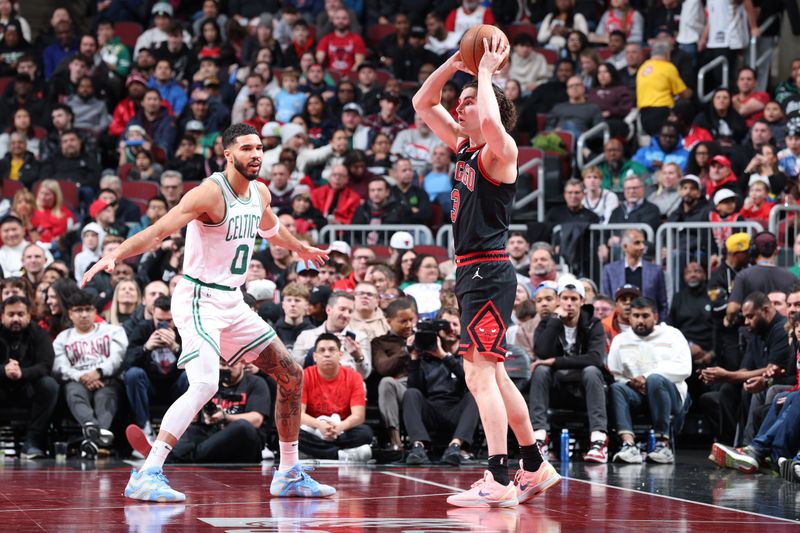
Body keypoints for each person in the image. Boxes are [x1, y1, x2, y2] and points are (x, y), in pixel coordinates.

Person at [81, 123, 334, 501]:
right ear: (228, 154)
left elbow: (272, 230)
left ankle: (289, 473)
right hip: (198, 297)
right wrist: (115, 254)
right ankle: (147, 473)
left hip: (233, 300)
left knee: (291, 374)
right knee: (204, 384)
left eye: (260, 147)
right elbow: (158, 231)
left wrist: (301, 249)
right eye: (247, 148)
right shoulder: (209, 193)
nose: (256, 154)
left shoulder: (260, 193)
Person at [413, 37, 559, 507]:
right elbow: (422, 101)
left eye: (469, 101)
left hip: (488, 271)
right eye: (460, 101)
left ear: (491, 104)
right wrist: (456, 63)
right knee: (494, 377)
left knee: (479, 376)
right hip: (473, 273)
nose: (460, 105)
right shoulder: (463, 149)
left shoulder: (502, 151)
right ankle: (534, 467)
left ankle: (498, 478)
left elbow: (493, 121)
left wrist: (487, 76)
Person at [530, 279, 609, 462]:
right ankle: (540, 437)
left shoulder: (593, 323)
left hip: (584, 388)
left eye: (574, 299)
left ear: (582, 301)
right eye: (565, 298)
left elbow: (595, 358)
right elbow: (541, 353)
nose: (569, 303)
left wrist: (556, 361)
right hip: (557, 388)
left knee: (591, 370)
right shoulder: (547, 323)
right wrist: (555, 322)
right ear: (558, 300)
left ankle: (598, 440)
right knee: (541, 370)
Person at [700, 291, 792, 446]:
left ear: (766, 311)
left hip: (779, 381)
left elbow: (770, 370)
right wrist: (722, 375)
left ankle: (749, 444)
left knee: (752, 389)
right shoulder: (757, 333)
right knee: (727, 390)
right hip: (762, 381)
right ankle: (730, 444)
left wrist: (727, 375)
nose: (746, 322)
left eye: (750, 317)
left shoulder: (781, 329)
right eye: (745, 317)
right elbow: (745, 369)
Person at [608, 297, 692, 464]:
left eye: (645, 316)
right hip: (638, 395)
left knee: (655, 379)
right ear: (629, 317)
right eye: (636, 316)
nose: (640, 320)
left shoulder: (672, 335)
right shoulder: (620, 340)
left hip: (670, 395)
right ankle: (628, 445)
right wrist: (631, 383)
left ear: (655, 316)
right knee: (616, 387)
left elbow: (684, 368)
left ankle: (663, 445)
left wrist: (647, 377)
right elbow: (616, 373)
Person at [53, 290, 128, 458]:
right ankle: (93, 428)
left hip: (106, 380)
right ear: (70, 314)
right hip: (77, 380)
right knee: (73, 392)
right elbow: (60, 366)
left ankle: (93, 437)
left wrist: (99, 372)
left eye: (88, 309)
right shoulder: (62, 338)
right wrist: (82, 376)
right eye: (79, 310)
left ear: (95, 311)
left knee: (106, 396)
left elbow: (117, 358)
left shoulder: (113, 331)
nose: (84, 314)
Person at [402, 317, 481, 466]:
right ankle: (418, 447)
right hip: (431, 409)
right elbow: (414, 387)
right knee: (411, 394)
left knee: (474, 396)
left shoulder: (467, 354)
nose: (450, 329)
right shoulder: (424, 356)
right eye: (445, 325)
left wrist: (444, 357)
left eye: (455, 324)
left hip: (456, 410)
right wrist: (414, 358)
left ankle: (455, 447)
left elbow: (470, 382)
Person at [170, 358, 272, 463]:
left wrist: (225, 417)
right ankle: (189, 456)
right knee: (184, 428)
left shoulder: (256, 383)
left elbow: (256, 420)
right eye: (222, 364)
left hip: (241, 440)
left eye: (232, 364)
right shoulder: (210, 383)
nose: (227, 368)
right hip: (213, 435)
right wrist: (201, 417)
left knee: (243, 427)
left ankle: (192, 457)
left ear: (242, 364)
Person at [123, 295, 189, 443]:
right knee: (133, 374)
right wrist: (146, 348)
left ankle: (185, 430)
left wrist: (176, 348)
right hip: (149, 387)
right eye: (159, 321)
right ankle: (145, 429)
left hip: (175, 386)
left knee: (189, 376)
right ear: (152, 313)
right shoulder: (143, 328)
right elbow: (127, 363)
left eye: (169, 321)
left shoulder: (184, 329)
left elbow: (196, 364)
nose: (164, 325)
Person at [0, 295, 59, 459]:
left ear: (28, 315)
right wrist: (4, 370)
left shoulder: (39, 334)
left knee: (49, 385)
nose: (16, 319)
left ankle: (32, 442)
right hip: (2, 388)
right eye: (11, 315)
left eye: (20, 314)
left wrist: (22, 373)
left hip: (29, 389)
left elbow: (45, 365)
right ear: (3, 316)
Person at [298, 333, 373, 462]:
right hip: (313, 428)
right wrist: (319, 425)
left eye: (332, 350)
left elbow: (358, 416)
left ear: (340, 354)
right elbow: (299, 414)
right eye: (322, 350)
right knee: (291, 434)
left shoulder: (354, 377)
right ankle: (341, 455)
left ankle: (319, 452)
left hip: (342, 429)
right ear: (315, 356)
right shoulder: (305, 376)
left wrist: (339, 428)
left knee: (365, 433)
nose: (327, 354)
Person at [291, 291, 372, 379]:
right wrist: (317, 350)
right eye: (342, 309)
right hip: (313, 386)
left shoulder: (360, 338)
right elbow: (293, 369)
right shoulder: (306, 336)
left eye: (350, 311)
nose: (346, 315)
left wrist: (358, 357)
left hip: (345, 388)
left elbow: (365, 375)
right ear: (328, 310)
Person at [371, 297, 417, 451]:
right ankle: (395, 441)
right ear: (388, 321)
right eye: (403, 321)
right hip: (400, 387)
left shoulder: (422, 338)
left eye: (411, 320)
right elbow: (383, 368)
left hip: (422, 384)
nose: (409, 325)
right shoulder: (380, 342)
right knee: (386, 383)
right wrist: (405, 351)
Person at [601, 228, 669, 319]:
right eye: (637, 243)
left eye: (643, 243)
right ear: (625, 247)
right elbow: (607, 302)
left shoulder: (656, 270)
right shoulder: (609, 270)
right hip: (618, 325)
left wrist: (659, 324)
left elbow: (662, 304)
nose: (642, 247)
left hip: (648, 326)